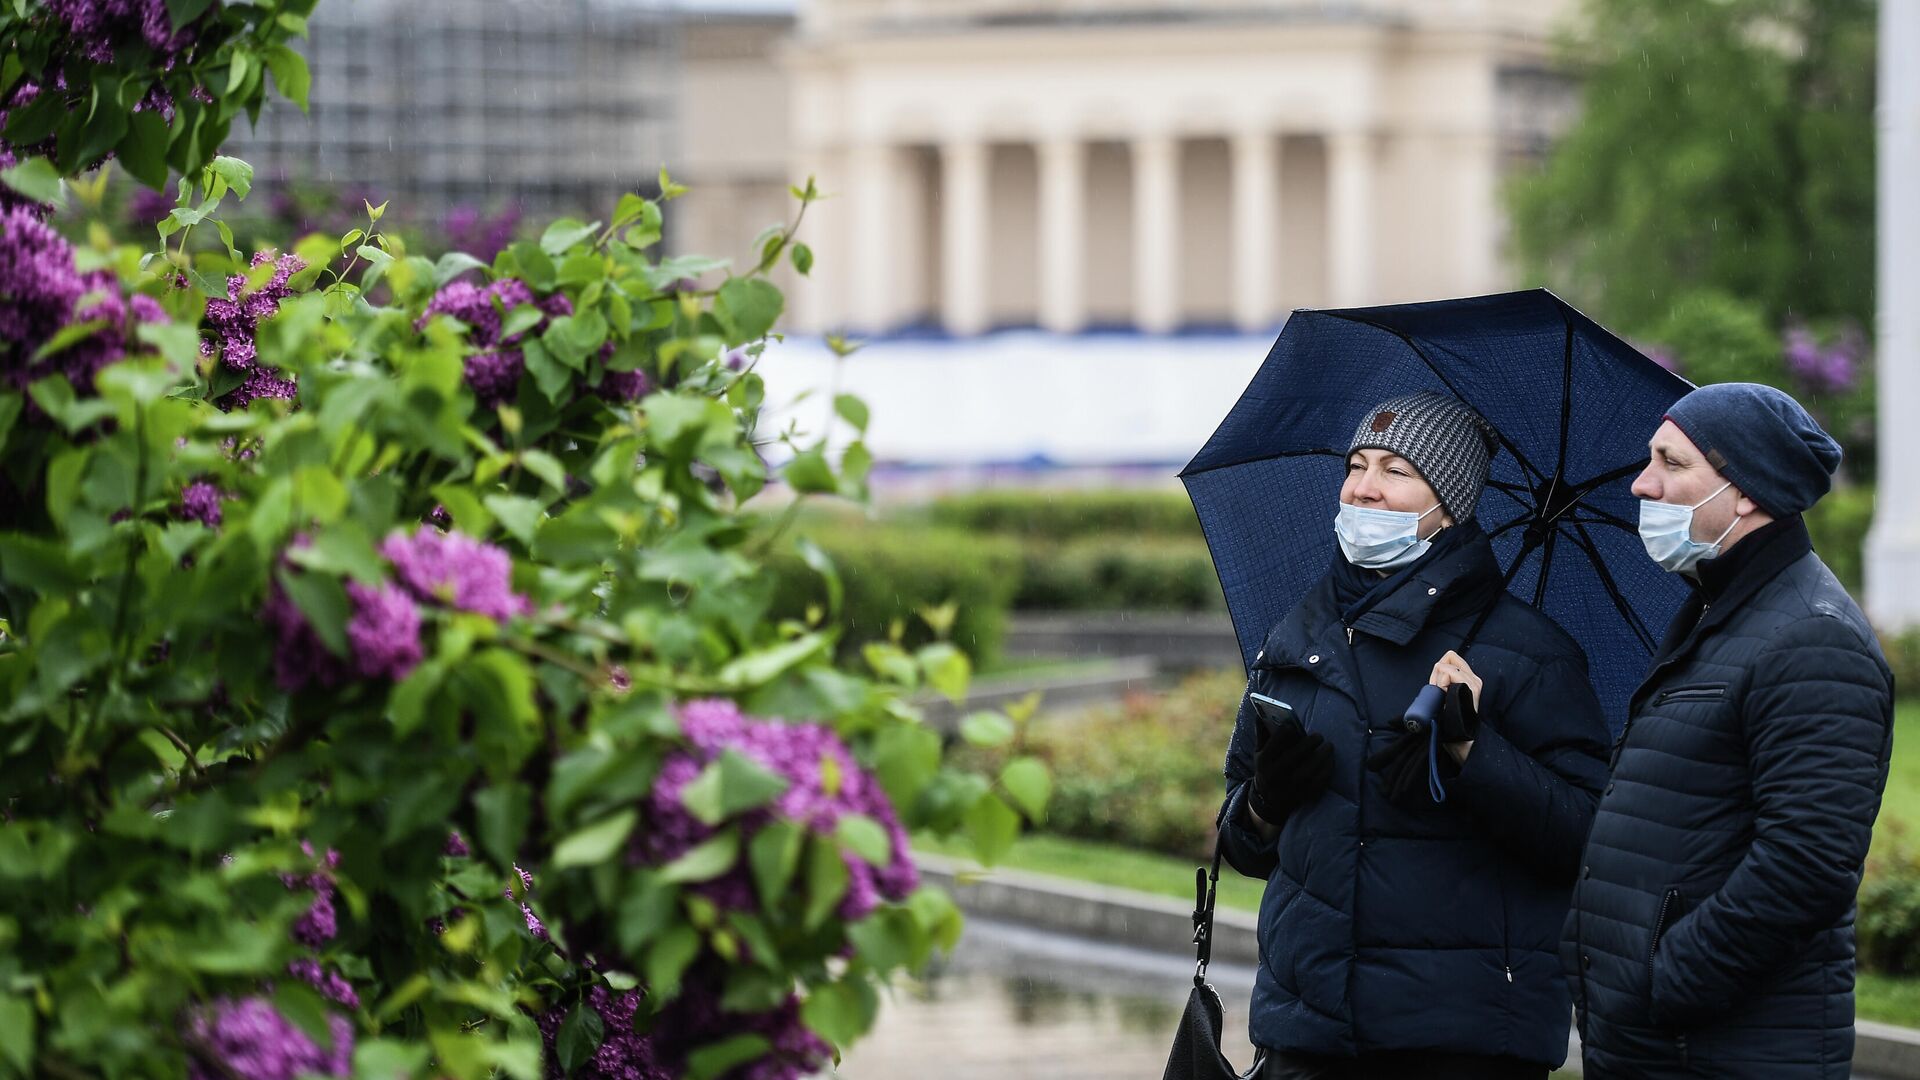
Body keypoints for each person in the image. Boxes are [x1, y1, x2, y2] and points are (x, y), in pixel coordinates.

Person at [1217, 390, 1612, 1080]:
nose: (1364, 489)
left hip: (1457, 1043)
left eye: (1397, 472)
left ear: (1449, 504)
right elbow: (1241, 844)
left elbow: (1587, 839)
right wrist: (1263, 802)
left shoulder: (1530, 651)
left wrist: (1471, 756)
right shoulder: (1298, 635)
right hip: (1304, 1036)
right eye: (1358, 465)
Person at [1562, 383, 1894, 1078]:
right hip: (1663, 1044)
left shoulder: (1811, 637)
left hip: (1720, 1048)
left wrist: (1668, 981)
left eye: (1671, 463)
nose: (1641, 482)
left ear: (1744, 490)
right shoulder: (1719, 611)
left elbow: (1808, 863)